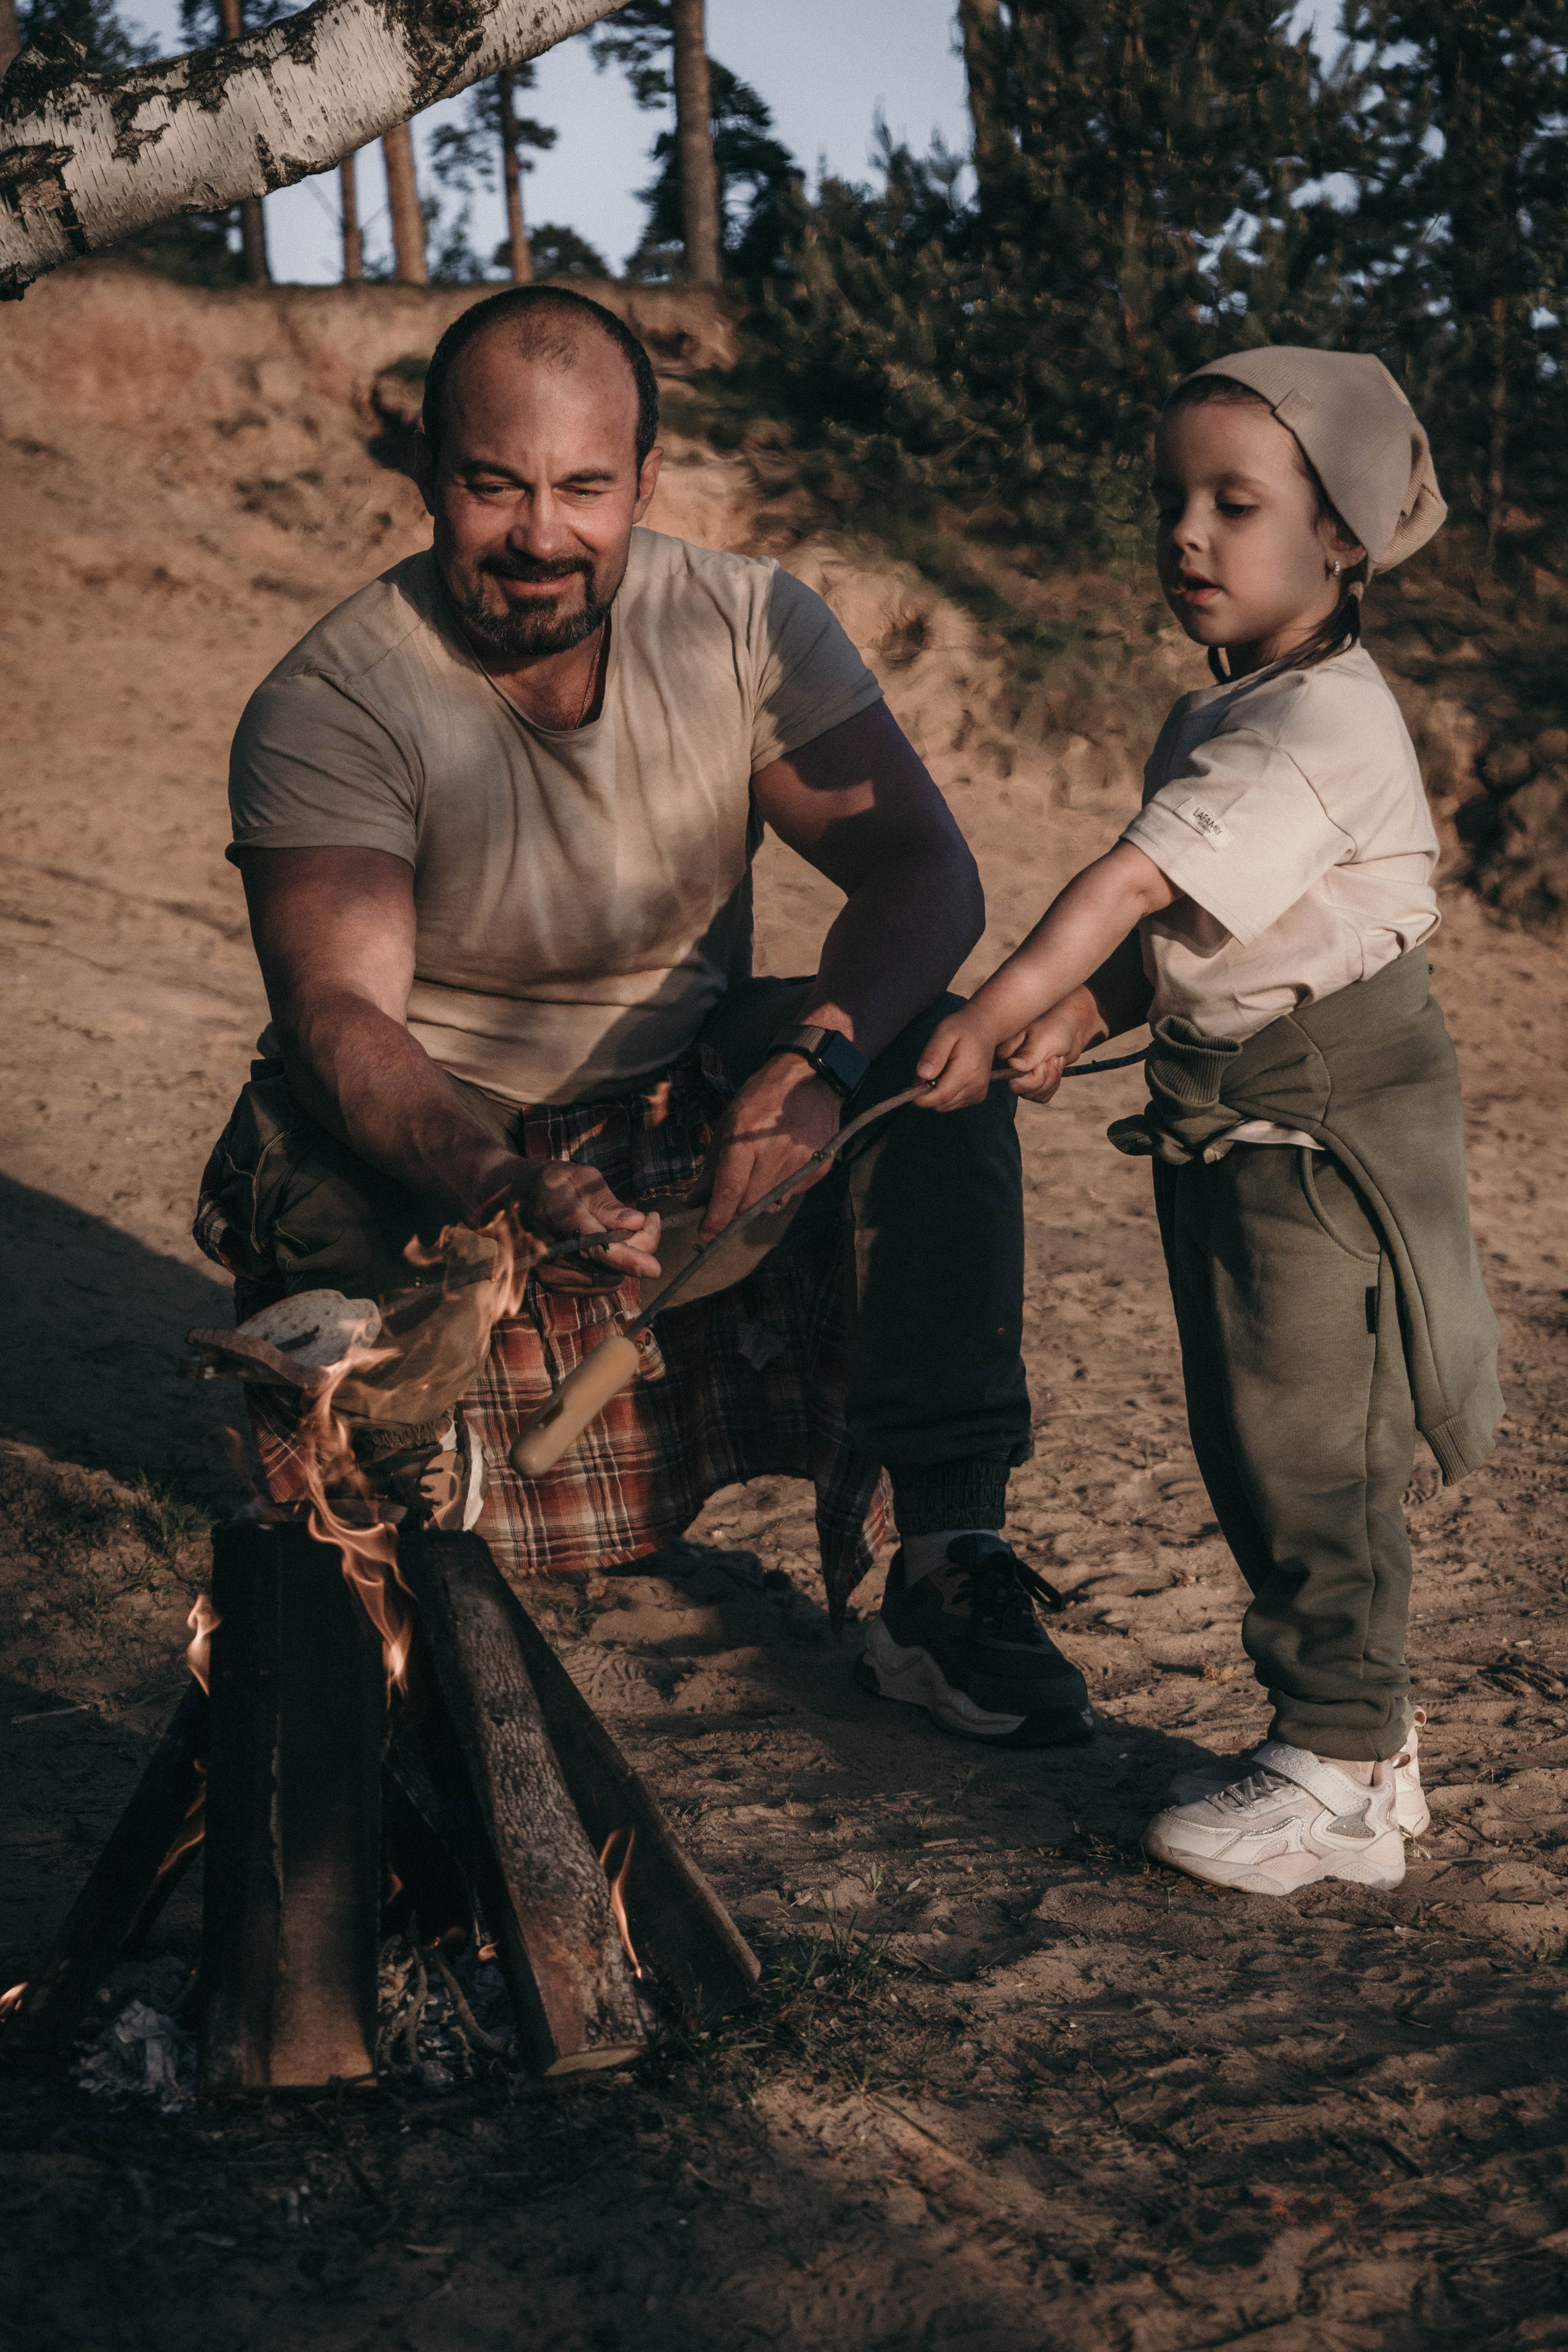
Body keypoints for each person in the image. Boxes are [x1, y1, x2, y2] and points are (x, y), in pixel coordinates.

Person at [196, 283, 1094, 1749]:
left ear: (645, 485)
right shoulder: (331, 701)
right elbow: (340, 1018)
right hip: (449, 1137)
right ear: (430, 478)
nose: (540, 535)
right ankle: (394, 1561)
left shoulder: (746, 621)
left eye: (582, 488)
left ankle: (944, 1567)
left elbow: (921, 867)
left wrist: (819, 1060)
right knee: (345, 1400)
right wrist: (498, 1183)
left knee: (939, 1053)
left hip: (682, 1095)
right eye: (492, 485)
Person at [906, 349, 1502, 1890]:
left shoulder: (1319, 726)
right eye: (1171, 499)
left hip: (1319, 1140)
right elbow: (1191, 946)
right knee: (1250, 1435)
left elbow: (1122, 886)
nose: (1185, 533)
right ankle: (1355, 1748)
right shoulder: (1228, 716)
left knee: (1314, 1449)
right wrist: (1065, 1021)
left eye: (1233, 503)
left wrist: (981, 1009)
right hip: (1239, 1119)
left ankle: (1341, 1773)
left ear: (1342, 542)